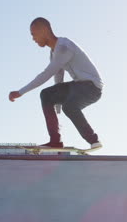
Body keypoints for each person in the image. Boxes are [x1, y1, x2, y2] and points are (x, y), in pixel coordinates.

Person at [8, 17, 103, 149]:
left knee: (69, 107)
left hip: (91, 87)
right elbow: (58, 78)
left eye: (33, 34)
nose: (33, 39)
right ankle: (55, 141)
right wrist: (56, 103)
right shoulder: (54, 53)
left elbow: (47, 74)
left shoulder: (64, 47)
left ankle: (93, 140)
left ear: (44, 30)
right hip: (79, 86)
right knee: (46, 94)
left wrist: (20, 92)